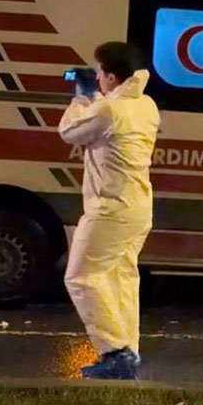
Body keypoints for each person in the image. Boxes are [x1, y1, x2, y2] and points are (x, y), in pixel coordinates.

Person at [59, 42, 160, 380]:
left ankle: (115, 351)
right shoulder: (145, 105)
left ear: (112, 77)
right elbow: (111, 114)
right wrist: (97, 96)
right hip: (138, 207)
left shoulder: (107, 111)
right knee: (121, 280)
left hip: (110, 208)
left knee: (81, 277)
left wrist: (81, 96)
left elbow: (70, 131)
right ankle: (127, 351)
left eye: (100, 72)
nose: (97, 77)